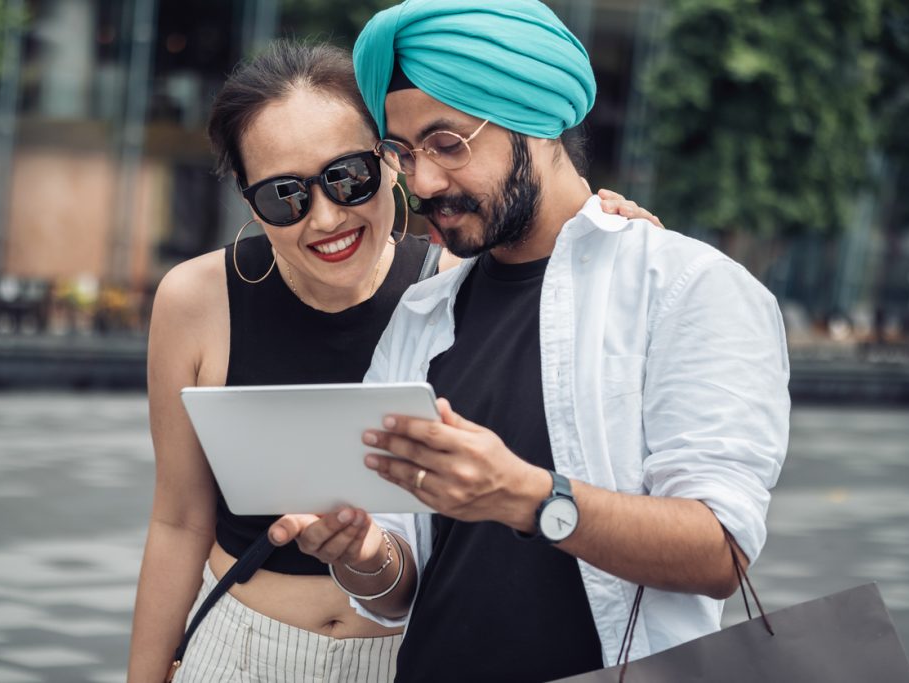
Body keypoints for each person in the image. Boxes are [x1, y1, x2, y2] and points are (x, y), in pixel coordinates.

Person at [268, 2, 790, 681]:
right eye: (402, 154)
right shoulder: (424, 315)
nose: (423, 182)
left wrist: (527, 495)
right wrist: (365, 554)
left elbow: (720, 553)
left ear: (538, 121)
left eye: (448, 143)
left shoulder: (688, 287)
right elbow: (403, 587)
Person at [128, 38, 659, 682]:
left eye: (348, 177)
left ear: (392, 161)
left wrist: (617, 235)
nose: (325, 218)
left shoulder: (463, 285)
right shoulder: (196, 300)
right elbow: (178, 520)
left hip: (412, 656)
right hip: (240, 649)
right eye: (283, 196)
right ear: (248, 201)